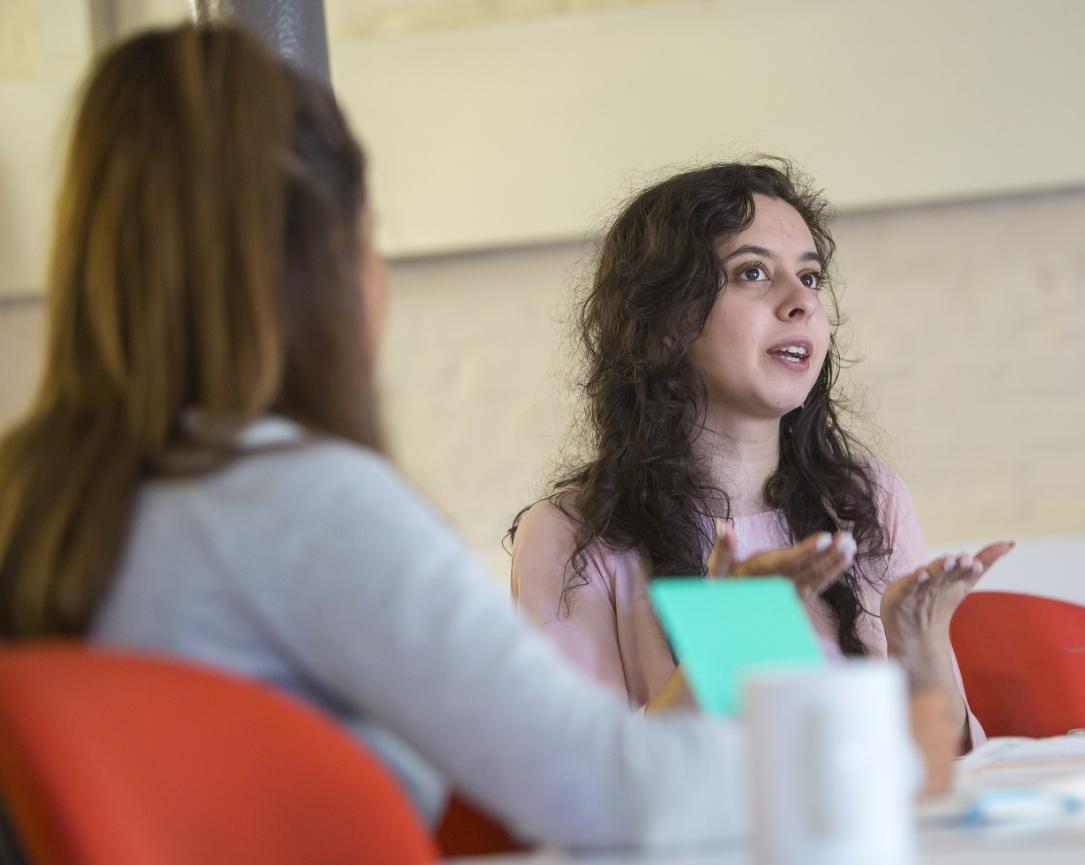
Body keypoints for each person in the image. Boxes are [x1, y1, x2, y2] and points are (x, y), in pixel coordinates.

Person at [0, 25, 968, 849]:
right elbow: (613, 787)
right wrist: (877, 758)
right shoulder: (306, 503)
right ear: (326, 261)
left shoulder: (40, 496)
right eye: (371, 237)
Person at [510, 162, 1011, 746]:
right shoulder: (573, 535)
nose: (801, 302)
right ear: (665, 322)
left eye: (812, 277)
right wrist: (738, 636)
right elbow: (583, 783)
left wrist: (923, 643)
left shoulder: (867, 498)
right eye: (753, 272)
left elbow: (944, 779)